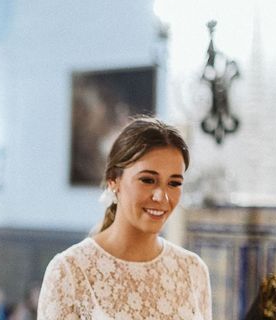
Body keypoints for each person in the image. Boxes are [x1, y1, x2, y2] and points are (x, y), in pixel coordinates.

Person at [38, 116, 212, 319]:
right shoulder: (69, 271)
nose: (161, 196)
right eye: (148, 180)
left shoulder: (193, 270)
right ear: (113, 180)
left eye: (174, 183)